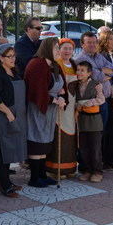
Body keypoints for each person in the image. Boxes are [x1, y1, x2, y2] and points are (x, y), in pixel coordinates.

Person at [24, 37, 68, 188]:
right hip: (37, 109)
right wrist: (56, 99)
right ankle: (34, 178)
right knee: (37, 140)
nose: (59, 51)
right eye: (56, 48)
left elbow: (61, 86)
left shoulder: (54, 65)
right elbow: (36, 91)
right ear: (47, 49)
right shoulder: (37, 64)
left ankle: (42, 175)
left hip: (50, 109)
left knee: (45, 141)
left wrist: (61, 96)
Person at [0, 44, 26, 197]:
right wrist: (8, 112)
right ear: (1, 58)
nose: (13, 59)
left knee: (8, 150)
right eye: (10, 56)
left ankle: (8, 181)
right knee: (0, 153)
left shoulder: (14, 72)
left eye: (14, 56)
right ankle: (4, 185)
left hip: (12, 117)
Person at [74, 31, 113, 160]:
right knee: (89, 136)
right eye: (89, 42)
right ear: (82, 44)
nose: (92, 45)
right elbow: (95, 77)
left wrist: (99, 71)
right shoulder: (80, 59)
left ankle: (96, 163)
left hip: (104, 101)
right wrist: (104, 72)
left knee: (100, 134)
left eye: (94, 42)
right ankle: (86, 165)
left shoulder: (99, 57)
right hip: (90, 103)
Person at [46, 38, 78, 179]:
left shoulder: (74, 64)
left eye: (70, 49)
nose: (68, 51)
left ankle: (70, 167)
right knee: (59, 134)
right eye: (64, 48)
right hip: (60, 105)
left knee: (71, 135)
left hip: (72, 107)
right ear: (58, 50)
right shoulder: (56, 64)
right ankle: (55, 168)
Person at [71, 61, 105, 182]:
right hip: (82, 120)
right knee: (84, 147)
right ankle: (88, 170)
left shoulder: (95, 85)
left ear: (89, 73)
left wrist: (88, 103)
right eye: (78, 70)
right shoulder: (75, 86)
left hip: (94, 120)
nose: (79, 72)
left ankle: (97, 171)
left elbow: (101, 99)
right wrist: (76, 105)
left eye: (82, 70)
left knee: (95, 147)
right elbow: (72, 100)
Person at [96, 30, 113, 170]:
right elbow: (109, 78)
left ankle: (111, 160)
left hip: (112, 95)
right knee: (108, 130)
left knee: (112, 129)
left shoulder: (111, 56)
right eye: (110, 39)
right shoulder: (103, 55)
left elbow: (112, 72)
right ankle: (107, 160)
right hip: (107, 96)